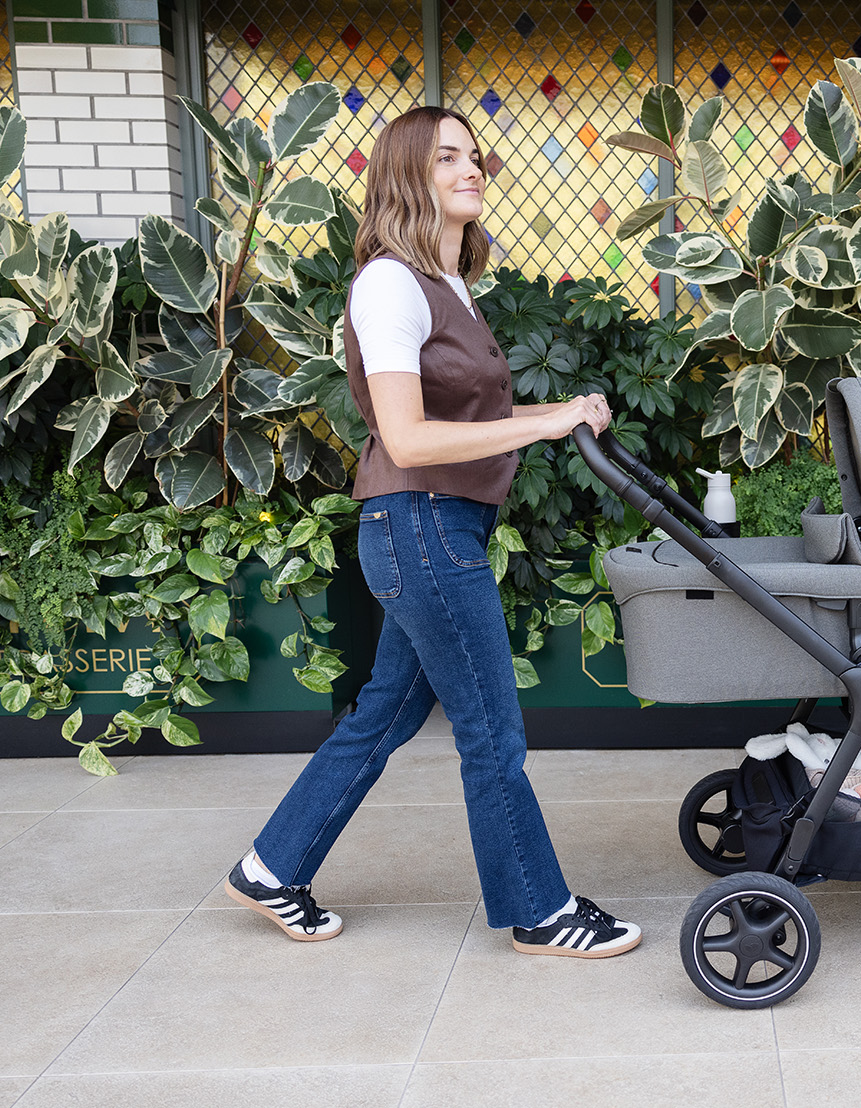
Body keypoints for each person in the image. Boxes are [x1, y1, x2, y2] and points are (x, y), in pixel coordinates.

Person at [224, 106, 639, 959]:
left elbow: (473, 415)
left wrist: (560, 412)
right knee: (491, 728)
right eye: (447, 156)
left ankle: (272, 865)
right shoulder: (388, 285)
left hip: (438, 529)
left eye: (473, 154)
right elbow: (408, 438)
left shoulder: (449, 285)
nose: (471, 167)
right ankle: (539, 910)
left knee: (386, 712)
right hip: (423, 527)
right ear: (409, 175)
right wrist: (541, 425)